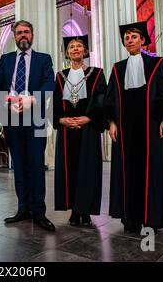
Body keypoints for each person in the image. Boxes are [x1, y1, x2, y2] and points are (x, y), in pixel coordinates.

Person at [105, 21, 163, 234]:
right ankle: (131, 218)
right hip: (126, 130)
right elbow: (110, 99)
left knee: (151, 171)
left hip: (151, 128)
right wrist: (111, 122)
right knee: (128, 173)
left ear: (143, 40)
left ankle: (152, 217)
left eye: (134, 36)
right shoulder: (118, 69)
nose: (129, 39)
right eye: (126, 37)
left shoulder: (156, 65)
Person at [0, 20, 56, 231]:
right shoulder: (6, 59)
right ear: (14, 37)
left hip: (35, 116)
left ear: (32, 35)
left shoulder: (43, 59)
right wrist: (7, 100)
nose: (23, 36)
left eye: (26, 32)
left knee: (36, 164)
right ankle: (23, 209)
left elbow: (49, 83)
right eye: (19, 33)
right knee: (18, 164)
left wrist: (33, 99)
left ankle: (39, 212)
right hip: (11, 117)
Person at [53, 35, 107, 226]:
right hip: (67, 129)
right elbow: (56, 101)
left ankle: (86, 211)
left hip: (88, 128)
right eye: (72, 47)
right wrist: (61, 119)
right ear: (67, 53)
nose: (75, 49)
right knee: (69, 169)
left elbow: (102, 100)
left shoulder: (97, 73)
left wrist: (89, 118)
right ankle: (74, 210)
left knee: (88, 169)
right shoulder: (60, 76)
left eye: (79, 46)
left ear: (85, 51)